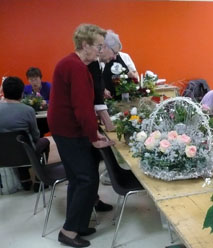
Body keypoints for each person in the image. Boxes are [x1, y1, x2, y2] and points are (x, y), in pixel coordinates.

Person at [47, 24, 115, 248]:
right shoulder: (75, 67)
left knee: (79, 178)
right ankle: (69, 231)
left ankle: (79, 224)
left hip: (66, 129)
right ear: (85, 45)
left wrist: (92, 132)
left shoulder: (73, 63)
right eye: (98, 46)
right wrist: (94, 137)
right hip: (69, 131)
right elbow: (82, 108)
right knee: (86, 179)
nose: (100, 50)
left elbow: (83, 106)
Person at [0, 76, 50, 191]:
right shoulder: (27, 110)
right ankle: (39, 180)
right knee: (42, 142)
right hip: (25, 153)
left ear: (3, 92)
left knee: (15, 144)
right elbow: (36, 136)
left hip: (3, 155)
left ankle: (25, 180)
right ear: (22, 92)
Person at [88, 30, 121, 132]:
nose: (115, 57)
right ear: (105, 47)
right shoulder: (92, 63)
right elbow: (97, 99)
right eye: (114, 53)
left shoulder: (98, 64)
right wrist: (109, 125)